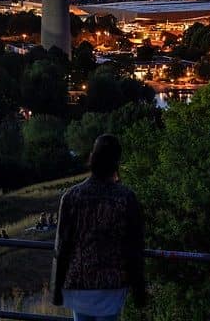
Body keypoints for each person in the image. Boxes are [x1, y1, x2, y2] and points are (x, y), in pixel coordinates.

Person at [52, 134, 146, 321]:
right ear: (116, 162)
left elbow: (62, 246)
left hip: (79, 283)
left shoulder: (72, 196)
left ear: (91, 158)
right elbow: (134, 247)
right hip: (111, 284)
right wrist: (139, 289)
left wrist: (56, 288)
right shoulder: (126, 198)